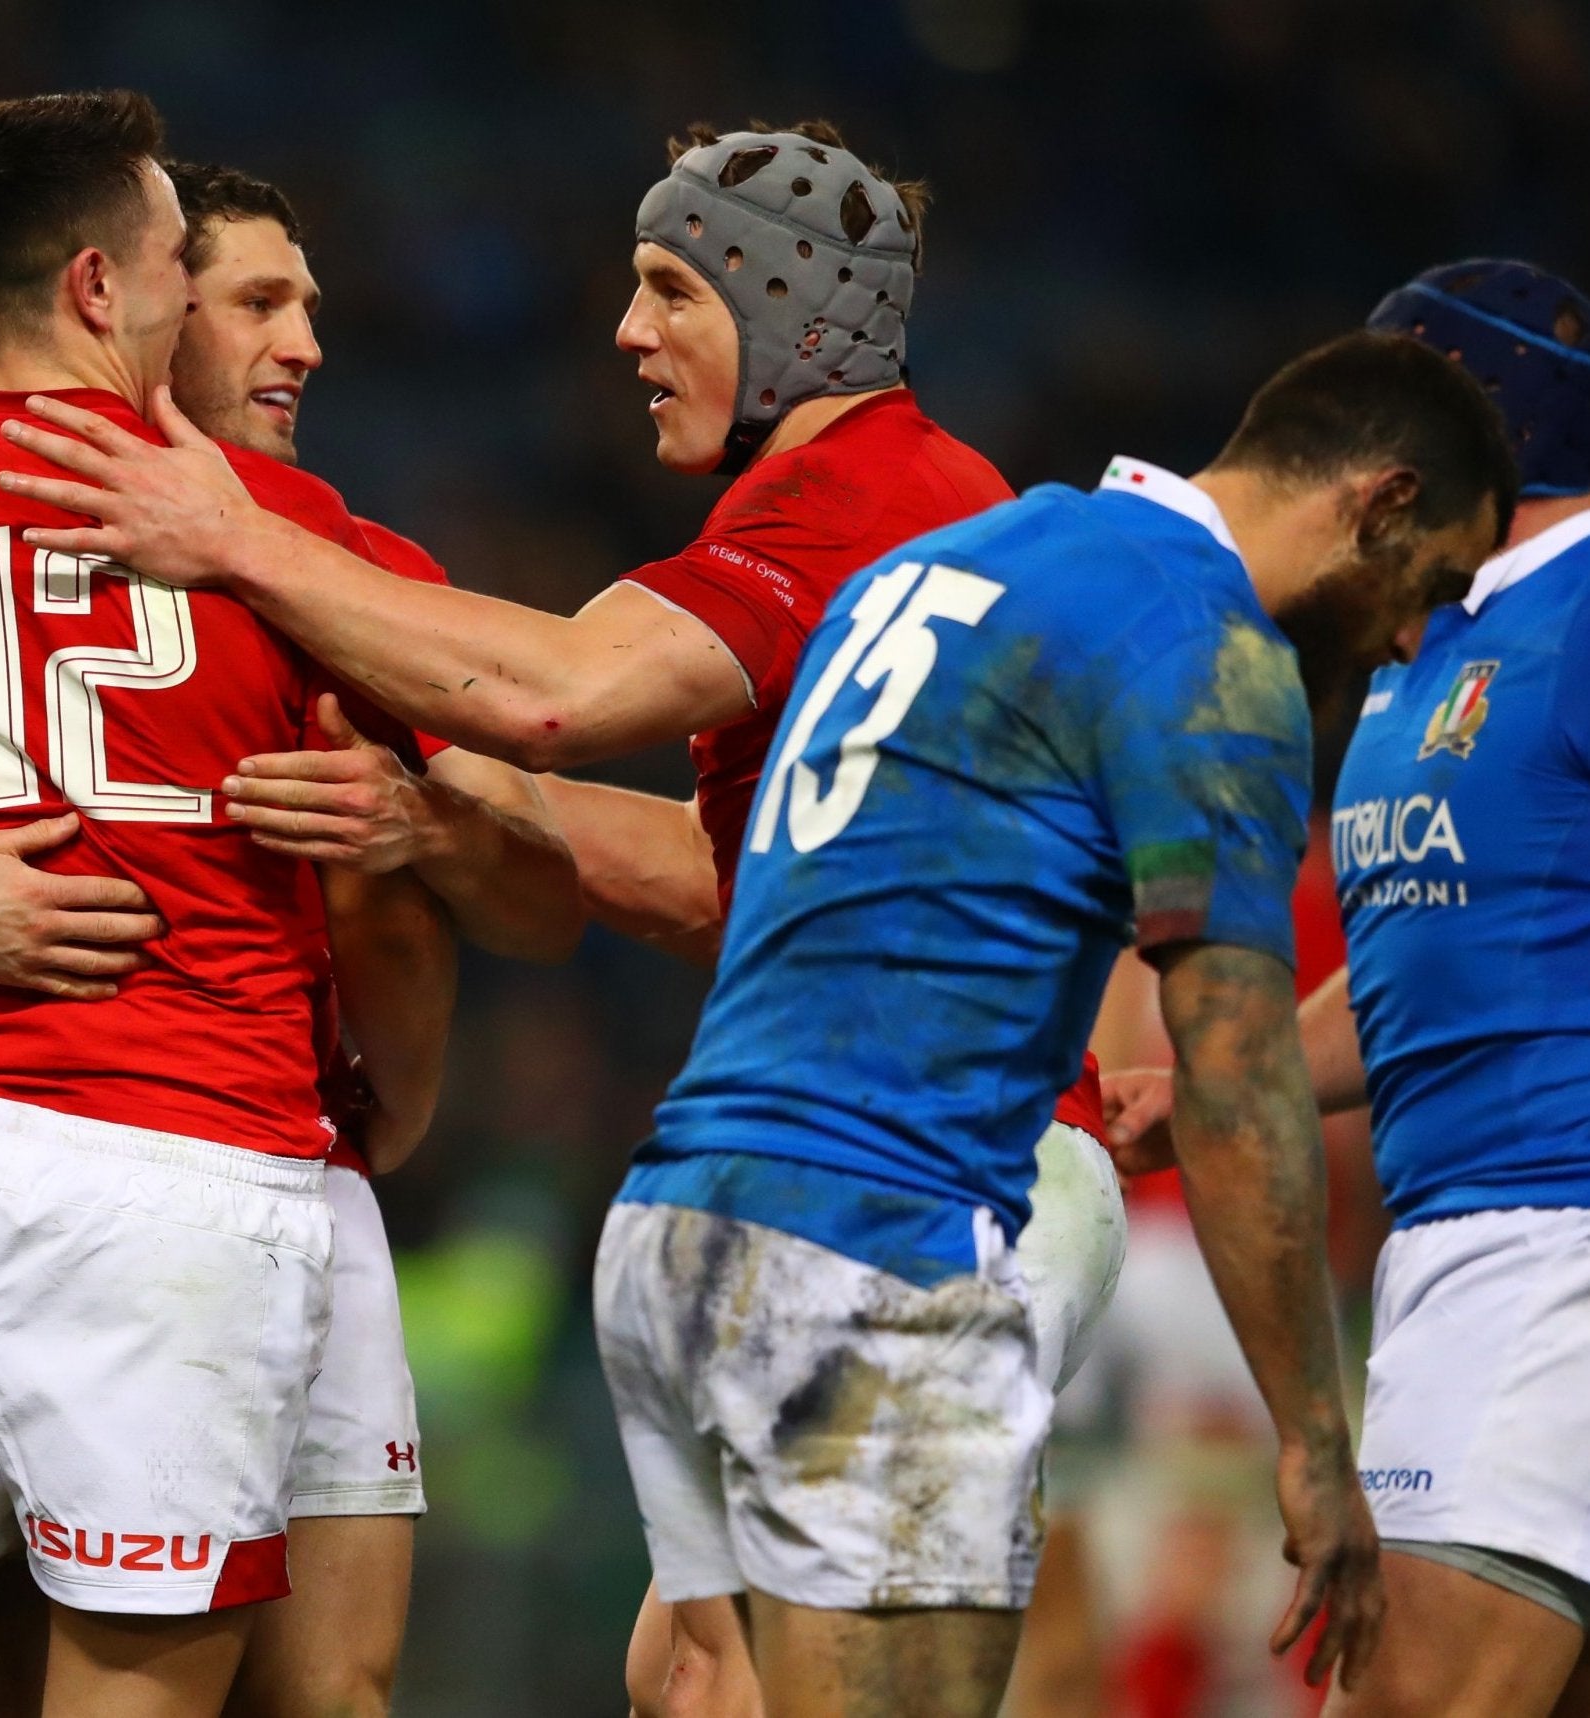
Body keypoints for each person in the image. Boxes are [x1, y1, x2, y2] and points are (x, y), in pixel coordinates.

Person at [0, 120, 1123, 1712]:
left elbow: (559, 694)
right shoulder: (872, 500)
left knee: (827, 1686)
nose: (628, 332)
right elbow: (737, 878)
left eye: (670, 287)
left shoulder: (855, 512)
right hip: (915, 1161)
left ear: (787, 307)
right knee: (692, 1676)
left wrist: (240, 542)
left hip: (926, 1181)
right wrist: (438, 800)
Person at [0, 158, 579, 1718]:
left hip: (136, 1163)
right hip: (207, 1169)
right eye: (252, 302)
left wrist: (421, 833)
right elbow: (497, 908)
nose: (301, 343)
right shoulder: (329, 572)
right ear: (135, 309)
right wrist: (404, 1083)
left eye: (309, 305)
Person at [602, 329, 1512, 1717]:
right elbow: (1231, 1066)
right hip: (878, 1253)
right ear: (1378, 502)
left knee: (704, 1691)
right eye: (1429, 584)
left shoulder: (946, 563)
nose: (1407, 637)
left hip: (678, 1220)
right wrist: (1315, 1444)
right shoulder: (1206, 647)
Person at [1107, 259, 1590, 1718]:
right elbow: (1426, 957)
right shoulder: (1422, 637)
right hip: (1460, 1246)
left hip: (1549, 1239)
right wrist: (1216, 1079)